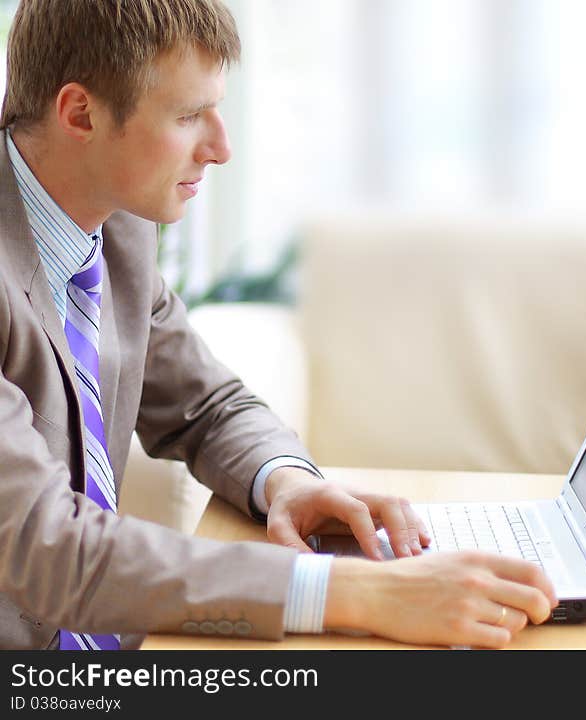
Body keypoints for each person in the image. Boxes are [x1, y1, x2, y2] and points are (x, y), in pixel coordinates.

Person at [0, 0, 556, 651]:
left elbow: (204, 404)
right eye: (187, 117)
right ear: (80, 114)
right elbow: (49, 549)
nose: (221, 148)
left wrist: (288, 483)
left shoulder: (114, 223)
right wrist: (357, 592)